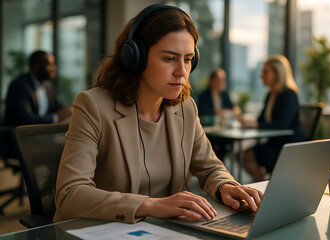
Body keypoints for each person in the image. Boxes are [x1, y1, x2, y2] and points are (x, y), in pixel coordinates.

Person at [54, 4, 263, 224]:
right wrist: (151, 205)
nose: (182, 72)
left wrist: (225, 186)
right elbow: (70, 194)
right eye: (169, 58)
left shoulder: (185, 108)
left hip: (163, 231)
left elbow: (209, 167)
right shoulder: (93, 106)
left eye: (188, 59)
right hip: (102, 229)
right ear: (136, 57)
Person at [241, 55, 306, 182]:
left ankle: (265, 187)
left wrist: (257, 125)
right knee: (244, 155)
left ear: (277, 73)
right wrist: (251, 122)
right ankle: (264, 187)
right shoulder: (270, 94)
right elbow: (261, 120)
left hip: (289, 145)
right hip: (275, 143)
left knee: (248, 155)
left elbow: (282, 124)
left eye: (265, 72)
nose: (261, 76)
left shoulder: (289, 94)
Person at [5, 50, 72, 126]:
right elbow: (26, 119)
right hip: (22, 136)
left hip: (43, 135)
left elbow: (59, 107)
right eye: (50, 64)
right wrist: (55, 118)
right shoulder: (19, 86)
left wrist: (69, 111)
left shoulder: (48, 86)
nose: (54, 68)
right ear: (36, 66)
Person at [197, 68, 241, 161]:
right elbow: (202, 112)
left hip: (224, 131)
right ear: (212, 80)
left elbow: (234, 109)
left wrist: (233, 111)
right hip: (209, 131)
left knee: (227, 144)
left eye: (223, 79)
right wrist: (218, 112)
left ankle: (219, 167)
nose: (222, 82)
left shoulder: (225, 95)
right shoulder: (204, 96)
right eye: (219, 79)